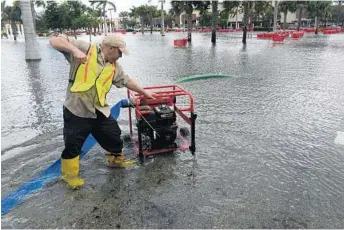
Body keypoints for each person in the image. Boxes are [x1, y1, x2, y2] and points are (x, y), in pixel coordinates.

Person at [49, 34, 156, 189]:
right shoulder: (86, 48)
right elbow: (54, 40)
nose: (120, 57)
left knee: (113, 135)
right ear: (111, 48)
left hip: (98, 109)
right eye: (120, 53)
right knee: (73, 144)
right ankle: (70, 176)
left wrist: (146, 93)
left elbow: (127, 81)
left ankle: (115, 161)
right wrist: (74, 51)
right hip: (76, 109)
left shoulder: (114, 66)